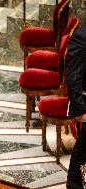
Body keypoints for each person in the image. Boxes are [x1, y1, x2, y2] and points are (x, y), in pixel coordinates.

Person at [66, 23, 86, 189]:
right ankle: (74, 183)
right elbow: (73, 77)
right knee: (84, 146)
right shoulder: (81, 36)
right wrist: (80, 109)